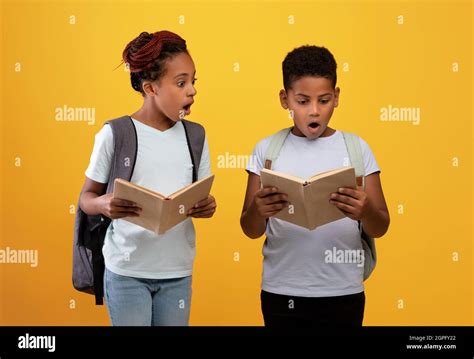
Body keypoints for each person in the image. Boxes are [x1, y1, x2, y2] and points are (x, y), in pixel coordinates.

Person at [240, 45, 390, 328]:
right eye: (302, 101)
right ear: (285, 99)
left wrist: (366, 210)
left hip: (343, 292)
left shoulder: (357, 148)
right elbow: (250, 229)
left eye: (324, 100)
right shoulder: (267, 151)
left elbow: (381, 226)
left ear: (337, 97)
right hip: (281, 291)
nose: (314, 111)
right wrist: (258, 210)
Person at [79, 30, 216, 326]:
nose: (192, 90)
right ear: (151, 88)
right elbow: (85, 198)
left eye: (194, 81)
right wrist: (104, 204)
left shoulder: (196, 136)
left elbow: (201, 197)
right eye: (181, 83)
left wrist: (207, 207)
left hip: (177, 272)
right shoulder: (115, 134)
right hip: (127, 272)